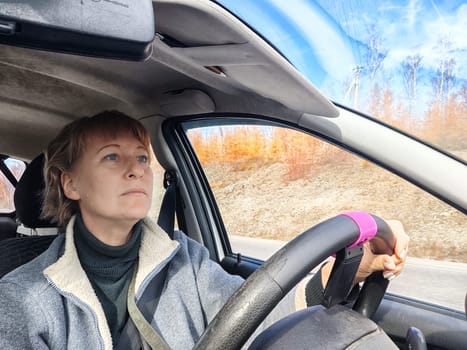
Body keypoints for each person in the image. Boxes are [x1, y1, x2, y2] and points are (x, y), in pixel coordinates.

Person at [0, 111, 409, 349]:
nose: (135, 169)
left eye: (142, 157)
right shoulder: (22, 297)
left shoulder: (184, 256)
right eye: (112, 157)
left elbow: (255, 316)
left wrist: (348, 269)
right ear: (71, 183)